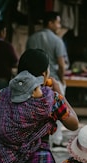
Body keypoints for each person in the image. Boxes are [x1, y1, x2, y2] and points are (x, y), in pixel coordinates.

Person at [26, 11, 69, 150]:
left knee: (34, 110)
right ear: (50, 23)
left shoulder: (32, 38)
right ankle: (56, 139)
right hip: (52, 80)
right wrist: (62, 81)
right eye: (57, 22)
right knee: (58, 109)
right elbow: (61, 64)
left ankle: (34, 137)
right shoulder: (57, 40)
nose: (59, 25)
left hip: (33, 82)